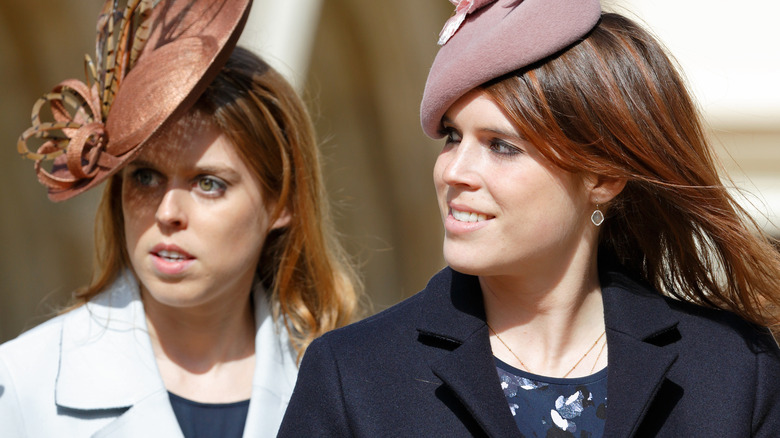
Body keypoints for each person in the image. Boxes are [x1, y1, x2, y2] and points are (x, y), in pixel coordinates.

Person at [278, 0, 780, 436]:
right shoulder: (355, 375)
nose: (454, 171)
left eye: (501, 146)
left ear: (602, 180)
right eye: (452, 137)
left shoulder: (734, 373)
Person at [0, 1, 359, 436]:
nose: (168, 213)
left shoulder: (353, 390)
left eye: (208, 184)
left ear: (281, 202)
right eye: (145, 177)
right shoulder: (22, 385)